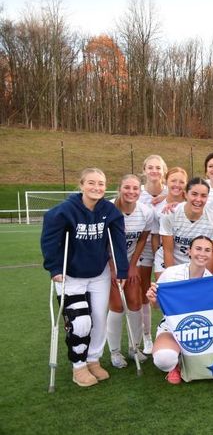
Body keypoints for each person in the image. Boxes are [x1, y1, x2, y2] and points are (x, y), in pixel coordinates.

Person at [41, 168, 128, 387]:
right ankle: (78, 365)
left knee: (99, 318)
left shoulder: (110, 211)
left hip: (99, 273)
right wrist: (54, 268)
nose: (96, 187)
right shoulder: (63, 211)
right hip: (70, 275)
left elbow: (117, 244)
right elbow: (50, 242)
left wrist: (122, 270)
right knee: (80, 322)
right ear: (81, 185)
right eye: (91, 183)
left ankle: (93, 359)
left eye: (101, 183)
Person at [146, 235, 213, 384]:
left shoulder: (211, 281)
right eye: (198, 248)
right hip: (171, 328)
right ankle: (174, 364)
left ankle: (186, 358)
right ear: (189, 251)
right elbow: (157, 306)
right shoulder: (170, 274)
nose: (202, 253)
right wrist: (153, 299)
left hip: (198, 330)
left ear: (211, 254)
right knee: (164, 359)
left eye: (207, 250)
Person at [107, 174, 154, 368]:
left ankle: (134, 347)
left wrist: (133, 265)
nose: (131, 192)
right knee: (117, 305)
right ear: (120, 188)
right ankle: (115, 352)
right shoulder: (108, 209)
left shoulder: (146, 212)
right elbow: (103, 243)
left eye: (135, 188)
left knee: (135, 303)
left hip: (131, 261)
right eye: (127, 187)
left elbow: (142, 239)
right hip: (109, 262)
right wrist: (114, 270)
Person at [156, 177, 213, 276]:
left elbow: (212, 254)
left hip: (197, 263)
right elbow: (168, 251)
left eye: (203, 196)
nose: (198, 199)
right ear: (185, 194)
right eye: (194, 194)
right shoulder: (170, 214)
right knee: (168, 288)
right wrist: (172, 278)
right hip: (171, 260)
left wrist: (208, 281)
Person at [137, 154, 168, 354]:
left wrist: (167, 197)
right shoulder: (136, 192)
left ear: (164, 170)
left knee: (164, 291)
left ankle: (168, 329)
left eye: (158, 167)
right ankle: (146, 337)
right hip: (140, 247)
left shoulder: (171, 190)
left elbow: (186, 192)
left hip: (164, 248)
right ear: (145, 170)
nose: (154, 171)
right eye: (150, 167)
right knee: (143, 293)